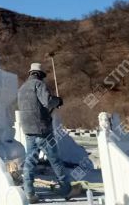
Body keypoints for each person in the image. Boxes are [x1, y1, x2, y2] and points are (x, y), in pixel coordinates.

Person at [18, 62, 83, 203]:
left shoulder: (22, 88)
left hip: (28, 130)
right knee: (55, 160)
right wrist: (58, 101)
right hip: (42, 130)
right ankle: (66, 190)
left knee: (30, 161)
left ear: (30, 73)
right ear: (40, 74)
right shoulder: (39, 84)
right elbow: (47, 102)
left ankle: (29, 192)